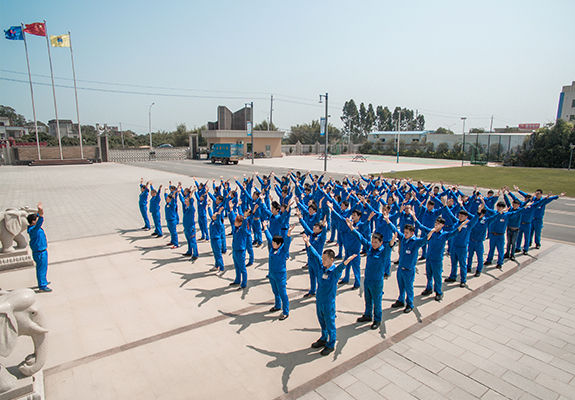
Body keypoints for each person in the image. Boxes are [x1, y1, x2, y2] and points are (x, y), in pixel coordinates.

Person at [303, 234, 356, 356]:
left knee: (330, 323)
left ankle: (331, 344)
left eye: (325, 259)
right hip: (319, 300)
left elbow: (341, 267)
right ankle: (323, 338)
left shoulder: (334, 272)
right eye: (323, 258)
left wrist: (346, 261)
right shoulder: (322, 268)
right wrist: (308, 243)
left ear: (331, 260)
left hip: (328, 303)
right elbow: (315, 255)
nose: (323, 260)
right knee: (322, 321)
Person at [348, 217, 394, 329]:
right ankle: (368, 315)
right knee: (367, 299)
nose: (373, 244)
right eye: (373, 241)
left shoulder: (383, 252)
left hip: (377, 281)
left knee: (377, 301)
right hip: (368, 279)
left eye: (376, 242)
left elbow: (389, 247)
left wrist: (392, 241)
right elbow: (361, 238)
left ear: (381, 243)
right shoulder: (369, 247)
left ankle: (377, 319)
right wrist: (352, 228)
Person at [412, 212, 464, 301]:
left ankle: (438, 292)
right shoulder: (431, 232)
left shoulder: (444, 235)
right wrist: (414, 216)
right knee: (429, 275)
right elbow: (420, 226)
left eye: (438, 224)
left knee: (437, 277)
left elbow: (454, 233)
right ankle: (429, 288)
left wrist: (461, 226)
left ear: (442, 225)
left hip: (437, 260)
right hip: (429, 258)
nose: (436, 225)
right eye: (436, 223)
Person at [389, 222, 428, 313]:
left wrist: (432, 231)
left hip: (409, 270)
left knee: (409, 288)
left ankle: (410, 304)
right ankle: (401, 300)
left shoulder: (416, 242)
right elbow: (395, 230)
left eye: (407, 232)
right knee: (401, 286)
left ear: (412, 233)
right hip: (401, 268)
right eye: (404, 232)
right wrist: (388, 221)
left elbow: (425, 240)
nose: (405, 234)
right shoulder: (403, 238)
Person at [264, 222, 294, 320]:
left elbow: (287, 242)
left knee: (283, 293)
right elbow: (269, 237)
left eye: (274, 243)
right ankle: (277, 305)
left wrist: (289, 233)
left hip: (280, 275)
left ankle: (285, 311)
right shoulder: (272, 249)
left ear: (279, 244)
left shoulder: (283, 250)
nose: (272, 244)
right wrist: (265, 228)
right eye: (272, 243)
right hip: (272, 274)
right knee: (275, 291)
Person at [27, 202, 51, 292]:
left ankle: (44, 281)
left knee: (44, 267)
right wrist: (40, 216)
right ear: (33, 221)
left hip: (42, 251)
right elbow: (39, 223)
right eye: (36, 219)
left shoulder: (33, 228)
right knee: (41, 268)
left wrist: (39, 211)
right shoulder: (33, 230)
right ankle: (42, 286)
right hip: (39, 252)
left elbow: (38, 218)